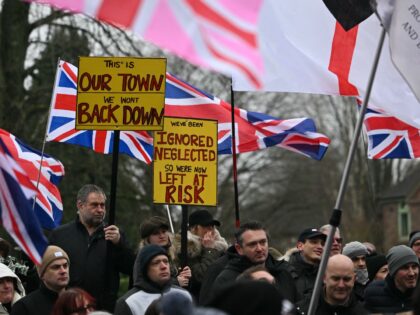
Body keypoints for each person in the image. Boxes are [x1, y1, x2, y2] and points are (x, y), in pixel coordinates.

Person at [49, 184, 135, 311]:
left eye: (102, 205)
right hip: (69, 308)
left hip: (104, 309)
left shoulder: (114, 235)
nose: (100, 210)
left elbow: (131, 268)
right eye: (94, 205)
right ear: (80, 205)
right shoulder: (60, 235)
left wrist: (119, 244)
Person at [212, 221, 297, 303]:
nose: (259, 249)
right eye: (252, 244)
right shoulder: (226, 279)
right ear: (239, 249)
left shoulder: (283, 272)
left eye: (263, 242)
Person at [114, 244, 192, 315]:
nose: (163, 266)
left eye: (166, 261)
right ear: (144, 269)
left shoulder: (183, 295)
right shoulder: (129, 302)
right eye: (156, 263)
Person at [176, 209, 228, 299]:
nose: (210, 229)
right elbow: (201, 276)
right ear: (194, 228)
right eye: (206, 226)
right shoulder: (186, 247)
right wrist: (209, 250)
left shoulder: (220, 246)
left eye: (212, 226)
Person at [296, 254, 368, 315]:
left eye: (346, 279)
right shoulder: (303, 310)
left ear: (354, 279)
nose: (341, 285)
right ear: (324, 278)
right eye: (336, 279)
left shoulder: (364, 311)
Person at [11, 246, 69, 315]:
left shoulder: (78, 300)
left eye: (65, 266)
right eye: (56, 267)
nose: (63, 271)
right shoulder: (24, 307)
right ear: (42, 274)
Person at [135, 216, 191, 288]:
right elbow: (143, 282)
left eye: (164, 232)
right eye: (156, 233)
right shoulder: (143, 257)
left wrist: (185, 276)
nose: (162, 236)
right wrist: (176, 282)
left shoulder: (174, 253)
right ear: (147, 238)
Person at [364, 245, 419, 313]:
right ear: (393, 271)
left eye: (414, 267)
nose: (412, 273)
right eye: (405, 268)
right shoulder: (373, 293)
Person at [283, 228, 326, 301]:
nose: (320, 247)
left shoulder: (327, 273)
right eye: (314, 242)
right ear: (300, 246)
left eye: (323, 244)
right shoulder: (284, 272)